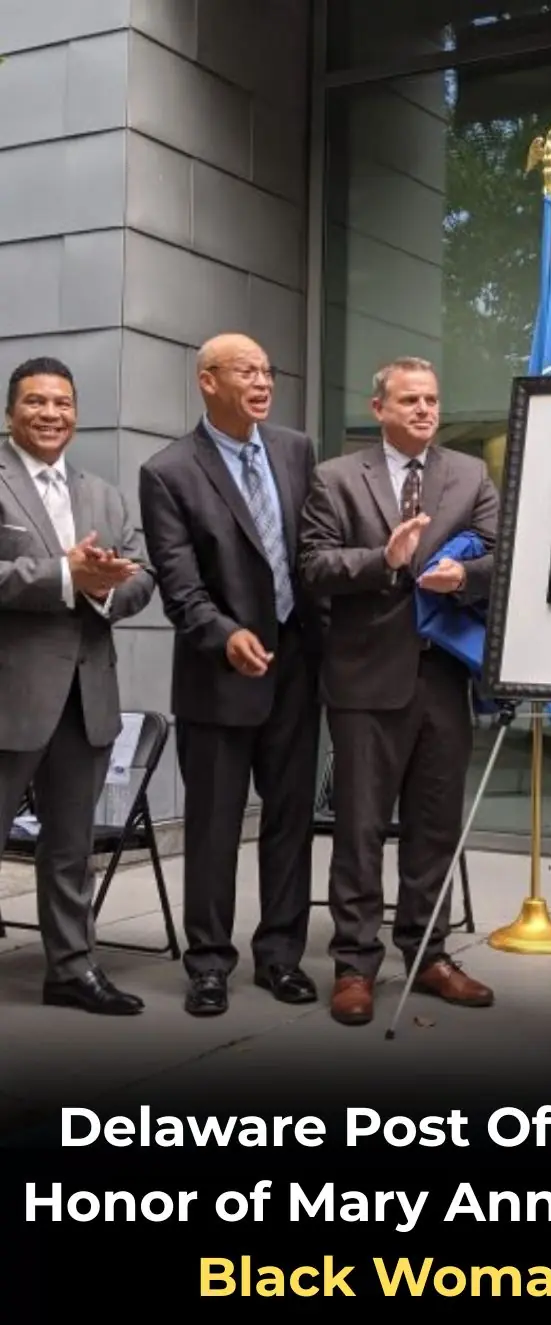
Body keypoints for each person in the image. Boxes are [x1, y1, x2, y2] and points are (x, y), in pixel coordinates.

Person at [297, 356, 498, 1026]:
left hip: (442, 678)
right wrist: (381, 562)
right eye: (409, 399)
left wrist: (463, 579)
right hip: (363, 681)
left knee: (434, 827)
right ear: (377, 406)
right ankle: (354, 963)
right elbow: (314, 565)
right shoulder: (333, 478)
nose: (423, 409)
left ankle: (429, 952)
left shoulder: (468, 475)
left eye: (432, 399)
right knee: (358, 830)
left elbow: (503, 557)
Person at [138, 334, 323, 1017]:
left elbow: (312, 552)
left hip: (297, 671)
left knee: (289, 821)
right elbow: (180, 587)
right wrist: (225, 635)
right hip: (219, 677)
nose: (262, 380)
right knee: (214, 828)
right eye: (246, 369)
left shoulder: (297, 450)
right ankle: (210, 964)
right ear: (207, 381)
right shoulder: (169, 471)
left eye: (268, 369)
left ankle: (281, 955)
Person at [0, 356, 155, 1013]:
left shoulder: (104, 494)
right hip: (11, 693)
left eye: (62, 403)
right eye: (35, 402)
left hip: (86, 695)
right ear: (10, 413)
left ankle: (70, 969)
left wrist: (106, 586)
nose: (51, 414)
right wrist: (65, 577)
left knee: (70, 847)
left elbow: (143, 575)